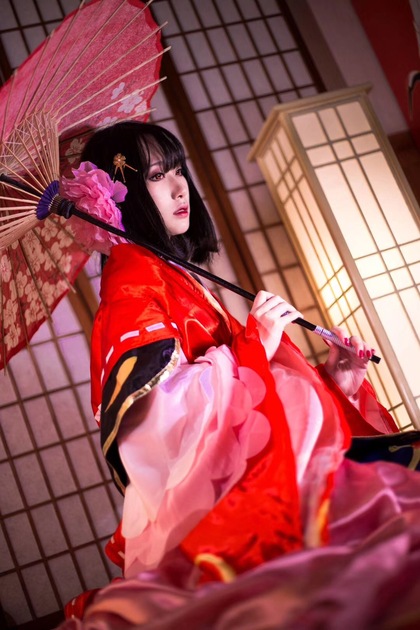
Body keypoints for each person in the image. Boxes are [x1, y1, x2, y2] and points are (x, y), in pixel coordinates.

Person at [59, 121, 420, 629]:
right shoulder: (131, 289)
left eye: (178, 170)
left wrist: (335, 379)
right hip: (220, 515)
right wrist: (255, 344)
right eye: (157, 176)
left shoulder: (167, 273)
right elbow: (164, 430)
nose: (180, 187)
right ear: (122, 196)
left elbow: (250, 398)